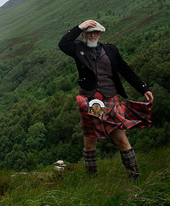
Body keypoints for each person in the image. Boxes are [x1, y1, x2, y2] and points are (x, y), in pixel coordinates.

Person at [59, 19, 153, 180]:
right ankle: (92, 179)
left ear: (100, 34)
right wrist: (80, 26)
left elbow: (126, 70)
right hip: (89, 100)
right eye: (89, 33)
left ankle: (134, 176)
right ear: (84, 34)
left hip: (111, 99)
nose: (93, 35)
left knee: (121, 139)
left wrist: (143, 88)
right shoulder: (77, 48)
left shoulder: (110, 50)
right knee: (89, 142)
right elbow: (63, 44)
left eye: (96, 32)